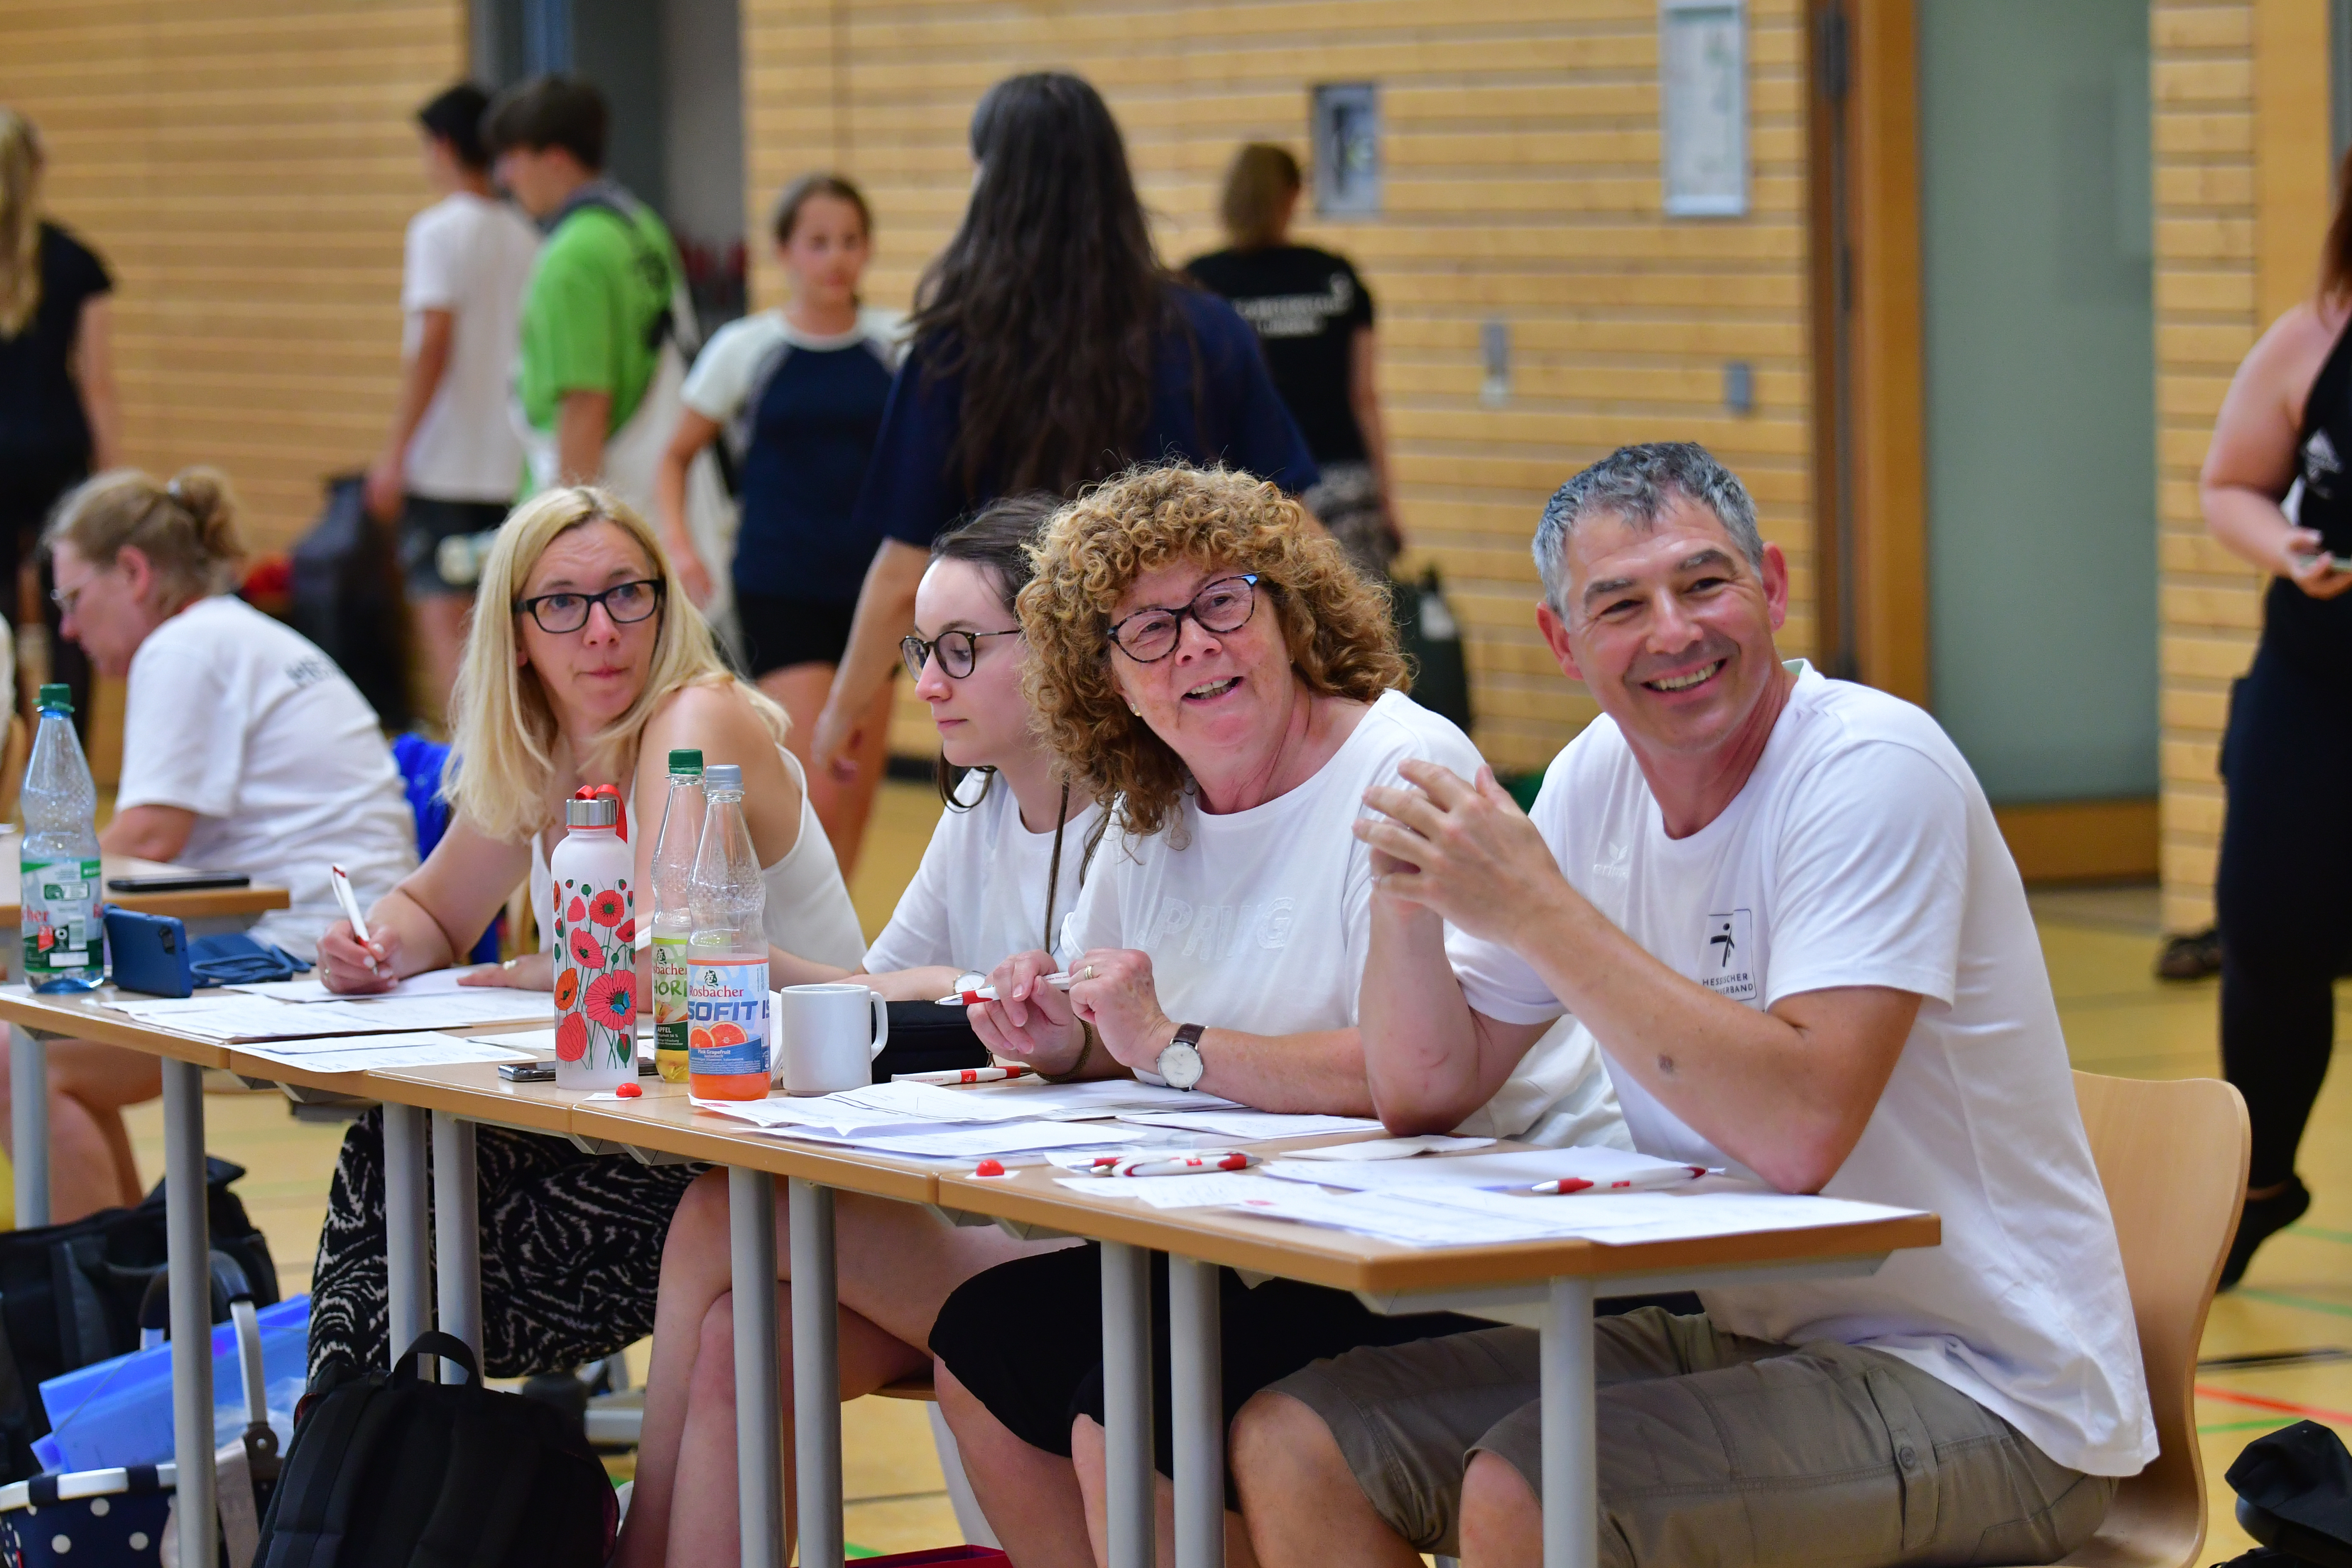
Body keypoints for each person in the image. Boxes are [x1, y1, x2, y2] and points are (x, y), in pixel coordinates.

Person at [1226, 442, 2153, 1568]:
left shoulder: (1871, 769)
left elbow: (1801, 1131)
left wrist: (1536, 910)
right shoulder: (1591, 780)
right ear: (1563, 644)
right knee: (1302, 1436)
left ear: (1770, 584)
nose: (1674, 632)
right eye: (1622, 605)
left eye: (1705, 584)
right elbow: (1424, 1088)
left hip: (1991, 1393)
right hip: (1758, 1339)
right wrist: (1410, 890)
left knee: (1537, 1494)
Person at [928, 465, 1622, 1568]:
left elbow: (1411, 1076)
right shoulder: (1152, 809)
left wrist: (1173, 1047)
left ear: (1288, 613)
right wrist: (1064, 1038)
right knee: (985, 1344)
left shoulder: (1402, 767)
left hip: (1483, 1231)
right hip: (1281, 1240)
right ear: (1104, 676)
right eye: (1147, 630)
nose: (1194, 646)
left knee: (1135, 1401)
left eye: (1221, 603)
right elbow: (1124, 1021)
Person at [616, 493, 1104, 1565]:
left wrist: (943, 988)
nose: (925, 683)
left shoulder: (1137, 816)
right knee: (740, 1347)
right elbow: (879, 993)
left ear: (1063, 638)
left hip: (1088, 1240)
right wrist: (729, 956)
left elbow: (1008, 1013)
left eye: (961, 649)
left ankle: (636, 1547)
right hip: (989, 1217)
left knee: (717, 1216)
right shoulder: (977, 808)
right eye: (921, 650)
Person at [305, 485, 865, 1379]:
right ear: (517, 634)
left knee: (432, 1287)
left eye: (625, 593)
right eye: (563, 604)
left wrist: (552, 969)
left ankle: (362, 1482)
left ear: (661, 604)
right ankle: (357, 1477)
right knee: (395, 1154)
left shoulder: (696, 715)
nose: (601, 629)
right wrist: (370, 946)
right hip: (658, 1116)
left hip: (775, 1121)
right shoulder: (542, 744)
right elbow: (435, 913)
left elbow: (658, 963)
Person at [807, 71, 1320, 798]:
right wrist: (1349, 677)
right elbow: (1291, 527)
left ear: (993, 187)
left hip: (1030, 713)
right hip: (1178, 688)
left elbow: (902, 570)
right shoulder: (1203, 328)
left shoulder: (954, 349)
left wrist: (841, 712)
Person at [7, 466, 416, 1219]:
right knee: (38, 1052)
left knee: (19, 1063)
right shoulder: (234, 632)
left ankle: (107, 1326)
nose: (66, 628)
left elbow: (150, 838)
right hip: (345, 941)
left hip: (309, 957)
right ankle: (133, 1306)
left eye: (72, 598)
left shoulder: (186, 646)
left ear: (132, 572)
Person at [2190, 142, 2352, 1285]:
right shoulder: (2317, 335)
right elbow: (2230, 484)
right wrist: (2290, 550)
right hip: (2316, 678)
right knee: (2266, 927)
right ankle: (2260, 1180)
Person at [655, 174, 900, 873]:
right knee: (818, 788)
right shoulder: (746, 348)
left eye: (850, 242)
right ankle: (796, 951)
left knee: (857, 795)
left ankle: (838, 953)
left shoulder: (897, 345)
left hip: (875, 591)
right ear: (785, 251)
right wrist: (681, 545)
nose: (836, 258)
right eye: (818, 242)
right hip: (780, 580)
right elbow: (675, 456)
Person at [364, 83, 541, 720]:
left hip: (447, 466)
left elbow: (433, 341)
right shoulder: (528, 234)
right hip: (513, 461)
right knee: (504, 629)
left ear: (441, 146)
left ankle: (476, 775)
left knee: (446, 622)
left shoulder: (437, 231)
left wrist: (394, 453)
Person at [1186, 143, 1399, 578]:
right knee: (1360, 628)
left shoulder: (1200, 284)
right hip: (1340, 478)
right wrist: (1387, 500)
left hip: (1245, 488)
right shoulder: (1334, 277)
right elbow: (1363, 394)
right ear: (1291, 196)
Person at [483, 75, 689, 514]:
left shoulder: (571, 259)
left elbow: (584, 406)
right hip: (656, 499)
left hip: (609, 501)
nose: (503, 176)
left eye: (513, 159)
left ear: (555, 160)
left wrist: (568, 531)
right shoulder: (642, 226)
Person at [0, 107, 117, 723]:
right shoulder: (76, 261)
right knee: (68, 616)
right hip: (57, 455)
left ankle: (6, 750)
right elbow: (97, 384)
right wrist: (112, 483)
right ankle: (63, 750)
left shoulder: (72, 263)